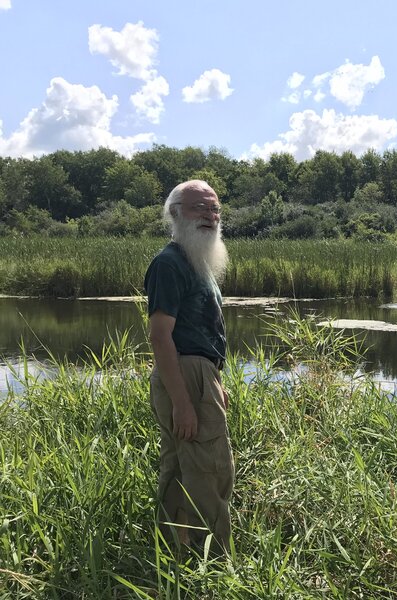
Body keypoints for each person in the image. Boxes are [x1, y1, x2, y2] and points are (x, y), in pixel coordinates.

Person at [144, 179, 234, 555]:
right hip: (186, 376)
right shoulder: (169, 263)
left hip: (199, 376)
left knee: (181, 468)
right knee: (211, 470)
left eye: (215, 209)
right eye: (200, 207)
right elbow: (160, 337)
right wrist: (183, 402)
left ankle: (173, 553)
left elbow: (202, 331)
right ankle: (214, 561)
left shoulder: (197, 262)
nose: (210, 216)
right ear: (176, 213)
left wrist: (216, 382)